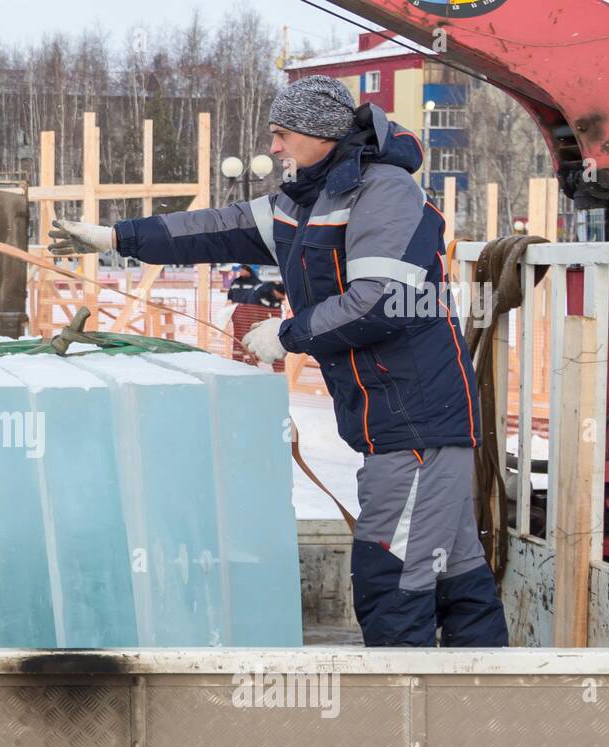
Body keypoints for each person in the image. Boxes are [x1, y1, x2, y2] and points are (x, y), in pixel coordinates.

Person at [46, 75, 507, 649]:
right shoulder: (308, 198)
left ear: (320, 133)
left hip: (414, 421)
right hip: (396, 419)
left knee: (392, 577)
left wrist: (290, 334)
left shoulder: (383, 192)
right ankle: (486, 712)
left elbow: (384, 300)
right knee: (453, 574)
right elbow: (216, 229)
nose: (278, 148)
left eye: (284, 134)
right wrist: (116, 236)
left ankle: (404, 717)